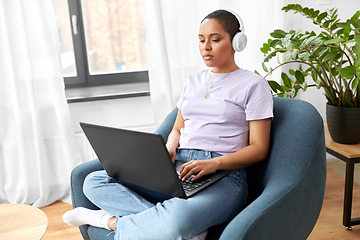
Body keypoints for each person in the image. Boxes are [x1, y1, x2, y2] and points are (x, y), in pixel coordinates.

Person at [63, 9, 273, 240]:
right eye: (201, 40)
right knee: (94, 180)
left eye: (215, 39)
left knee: (177, 222)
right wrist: (169, 148)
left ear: (236, 42)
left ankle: (108, 221)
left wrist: (214, 164)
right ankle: (177, 227)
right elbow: (176, 128)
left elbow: (259, 147)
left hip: (223, 176)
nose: (206, 47)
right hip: (179, 168)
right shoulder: (193, 81)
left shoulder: (254, 85)